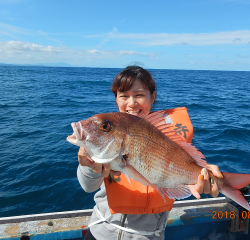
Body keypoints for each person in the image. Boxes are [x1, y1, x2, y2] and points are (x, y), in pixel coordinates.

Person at [77, 66, 223, 240]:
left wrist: (206, 179)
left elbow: (182, 174)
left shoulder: (168, 134)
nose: (131, 103)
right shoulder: (108, 136)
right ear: (116, 99)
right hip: (100, 232)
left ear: (152, 97)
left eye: (139, 95)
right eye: (124, 95)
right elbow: (88, 187)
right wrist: (88, 165)